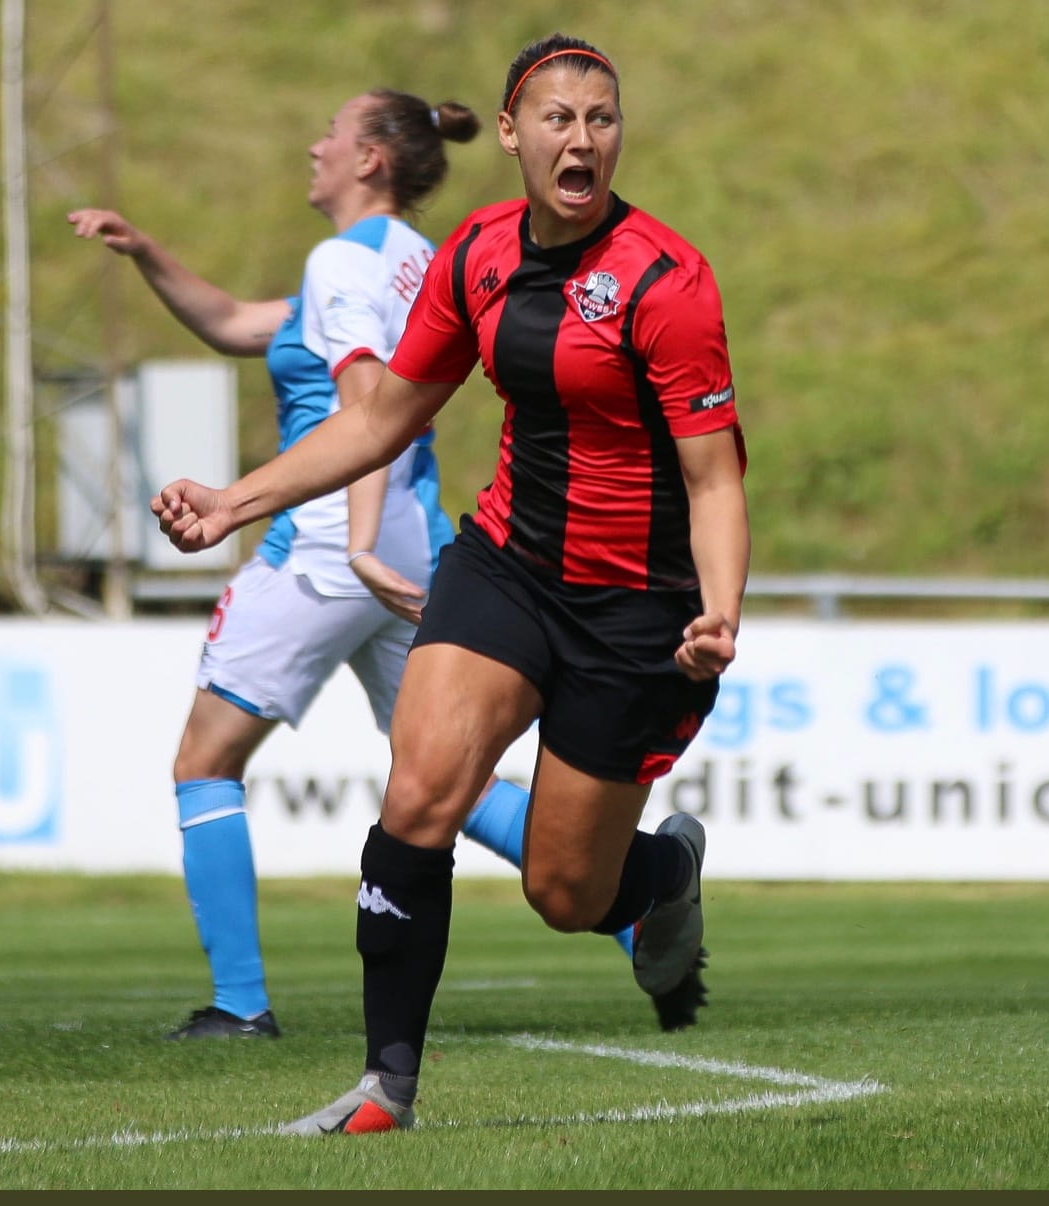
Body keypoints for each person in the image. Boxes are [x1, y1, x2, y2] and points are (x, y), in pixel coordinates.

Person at [151, 32, 749, 1133]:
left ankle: (659, 874)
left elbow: (714, 480)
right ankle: (388, 1086)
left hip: (637, 608)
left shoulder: (668, 281)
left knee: (567, 894)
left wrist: (718, 610)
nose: (583, 138)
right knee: (421, 790)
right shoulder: (474, 255)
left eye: (602, 117)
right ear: (514, 136)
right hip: (509, 565)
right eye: (559, 118)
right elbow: (379, 416)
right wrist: (237, 502)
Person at [71, 86, 633, 1043]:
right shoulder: (412, 258)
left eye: (329, 131)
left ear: (370, 157)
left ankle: (241, 1004)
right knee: (437, 771)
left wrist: (358, 544)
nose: (314, 142)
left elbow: (369, 401)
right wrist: (147, 251)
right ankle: (632, 901)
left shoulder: (340, 261)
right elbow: (242, 326)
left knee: (204, 760)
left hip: (332, 543)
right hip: (414, 541)